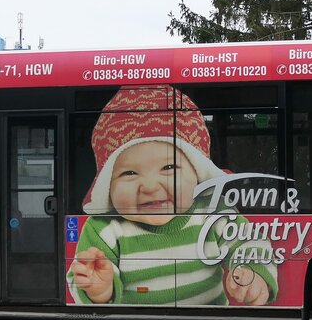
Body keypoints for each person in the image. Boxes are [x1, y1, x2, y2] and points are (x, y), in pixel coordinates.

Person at [67, 85, 277, 306]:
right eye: (129, 173)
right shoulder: (104, 228)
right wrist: (99, 290)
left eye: (168, 167)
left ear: (197, 173)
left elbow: (248, 240)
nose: (149, 186)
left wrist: (252, 271)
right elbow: (81, 276)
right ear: (108, 185)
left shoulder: (212, 211)